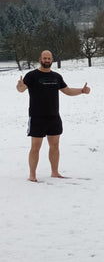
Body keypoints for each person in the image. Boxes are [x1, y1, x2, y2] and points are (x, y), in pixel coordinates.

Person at [16, 50, 91, 182]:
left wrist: (82, 91)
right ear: (40, 59)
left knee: (55, 145)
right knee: (35, 147)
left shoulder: (56, 76)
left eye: (49, 58)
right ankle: (32, 175)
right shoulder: (32, 75)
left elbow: (67, 91)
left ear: (52, 60)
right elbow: (22, 89)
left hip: (54, 117)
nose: (47, 60)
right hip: (37, 117)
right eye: (44, 58)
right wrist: (19, 86)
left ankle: (55, 172)